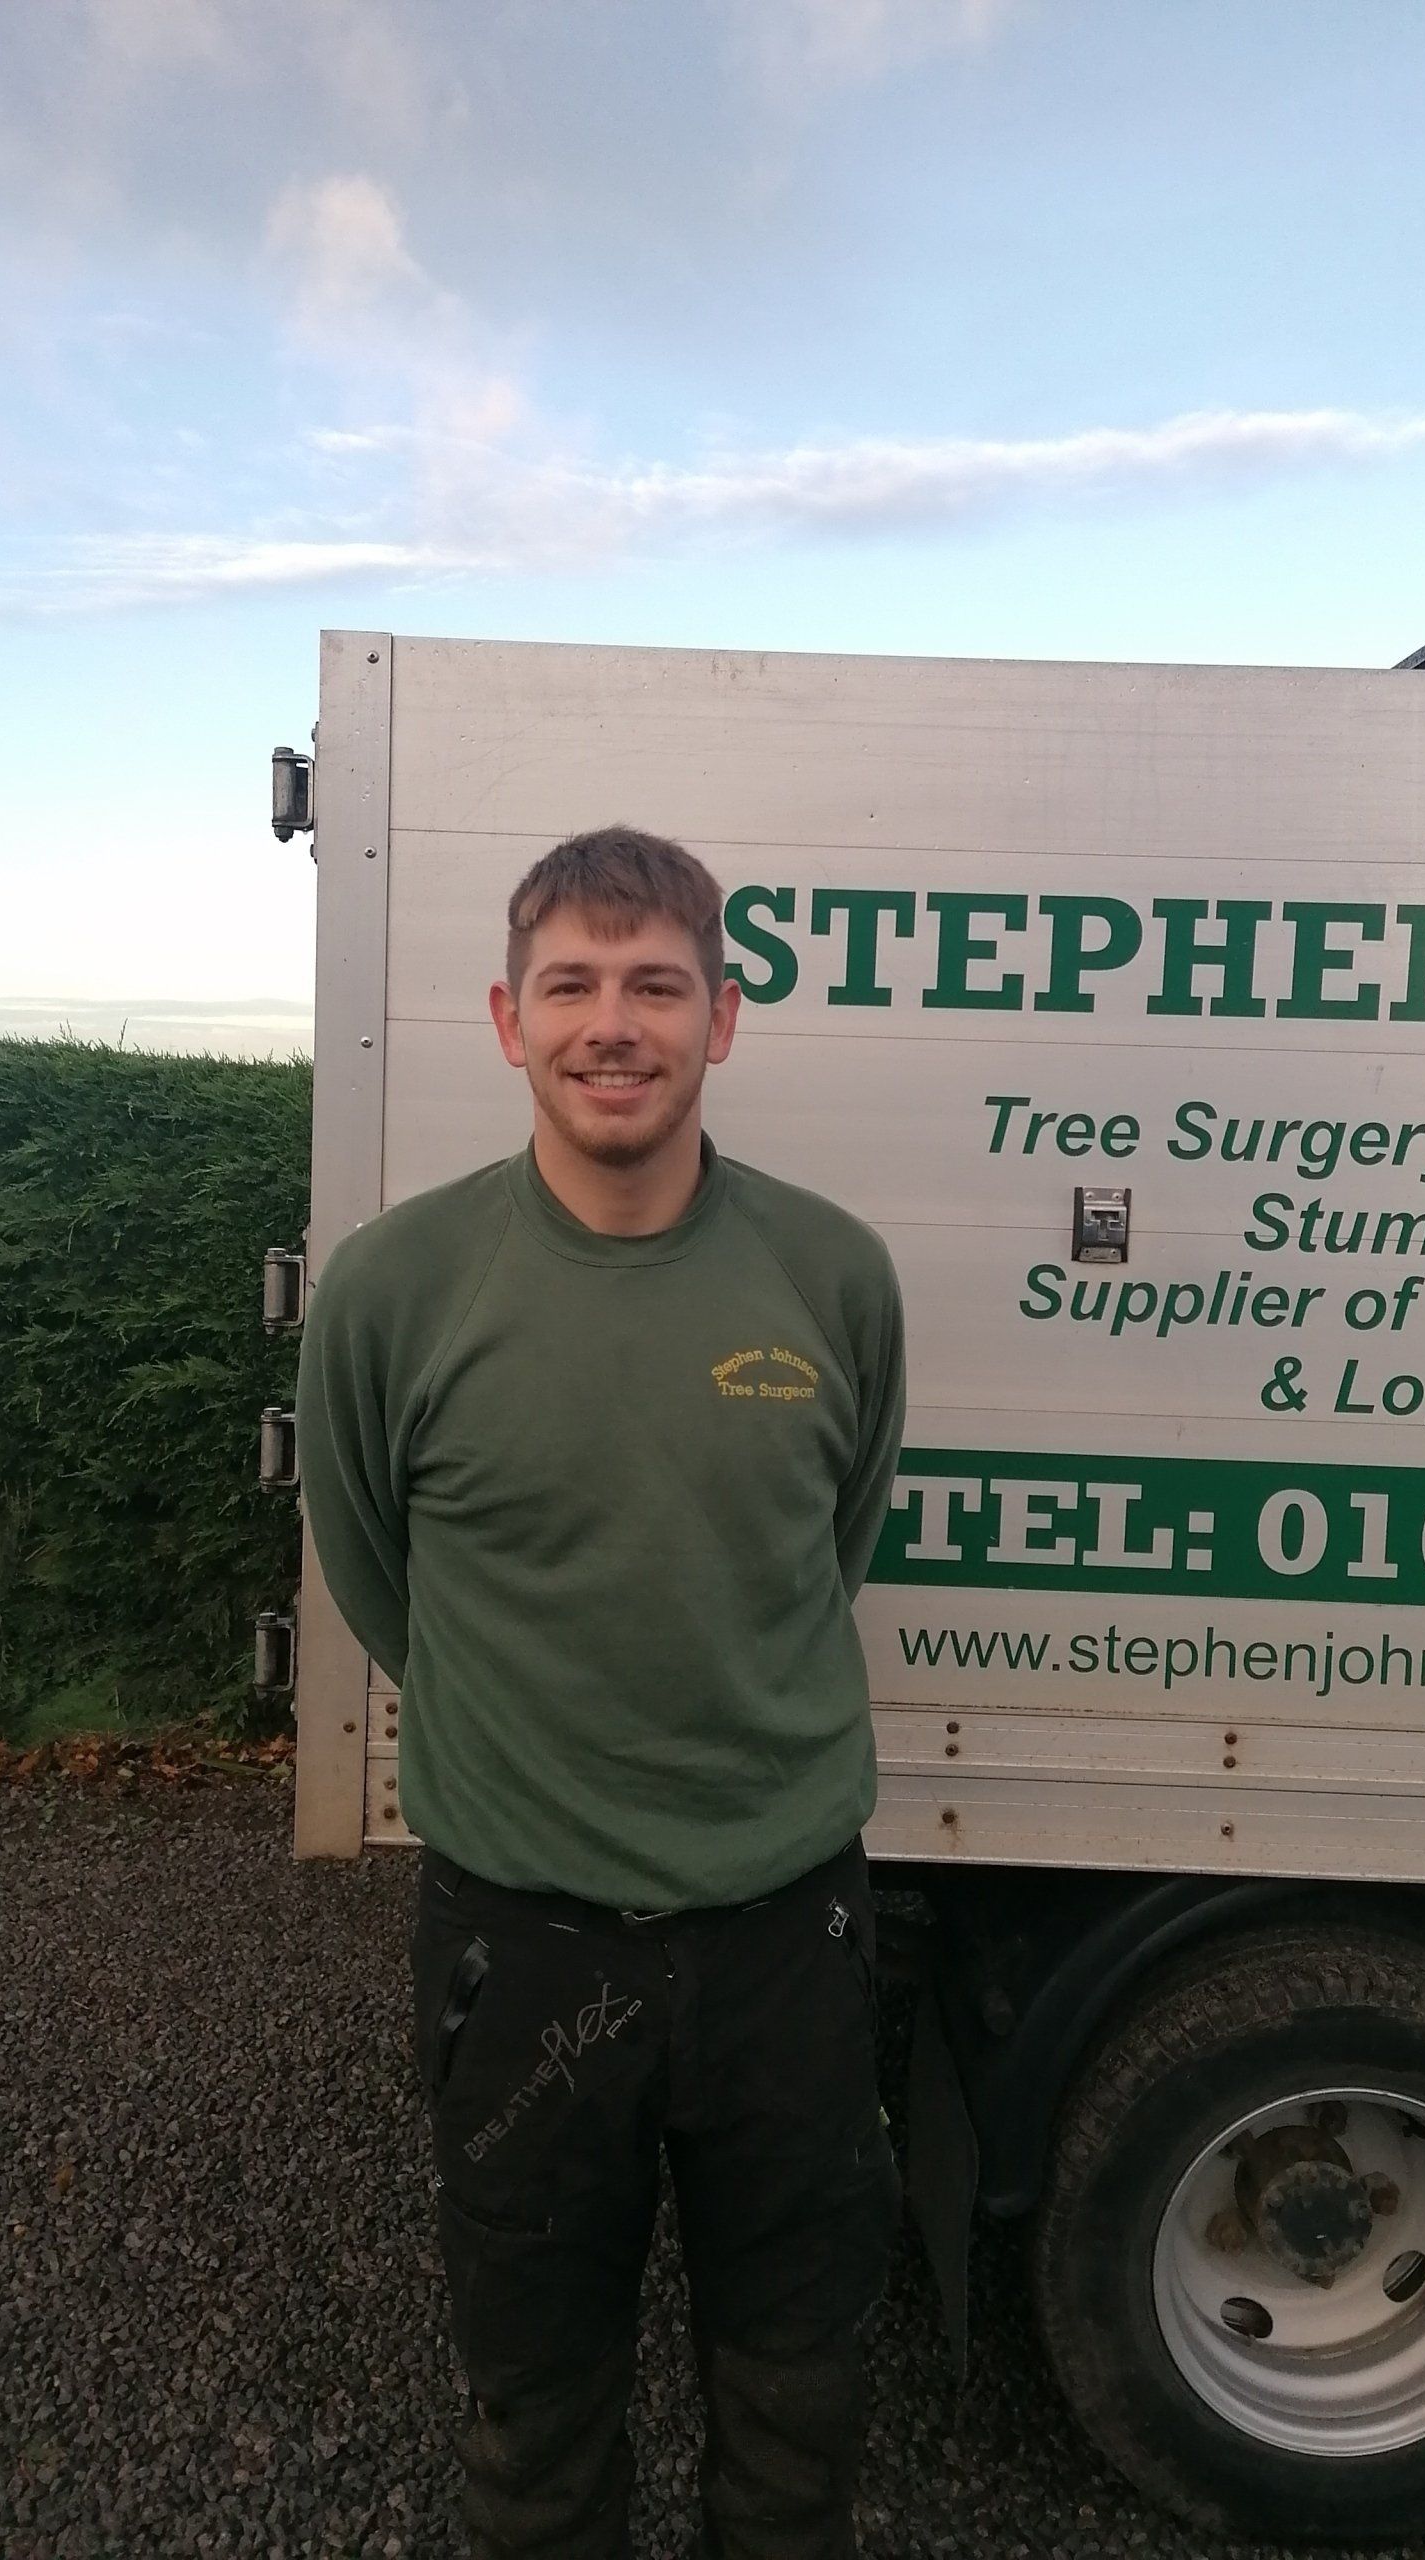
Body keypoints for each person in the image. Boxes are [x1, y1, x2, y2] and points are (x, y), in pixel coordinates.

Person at [296, 824, 907, 2559]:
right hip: (522, 1951)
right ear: (509, 1022)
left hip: (789, 1941)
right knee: (538, 2415)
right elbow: (378, 1576)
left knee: (797, 2406)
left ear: (726, 1016)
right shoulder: (395, 1293)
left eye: (657, 985)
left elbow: (832, 1548)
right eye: (570, 984)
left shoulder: (833, 1274)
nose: (613, 1024)